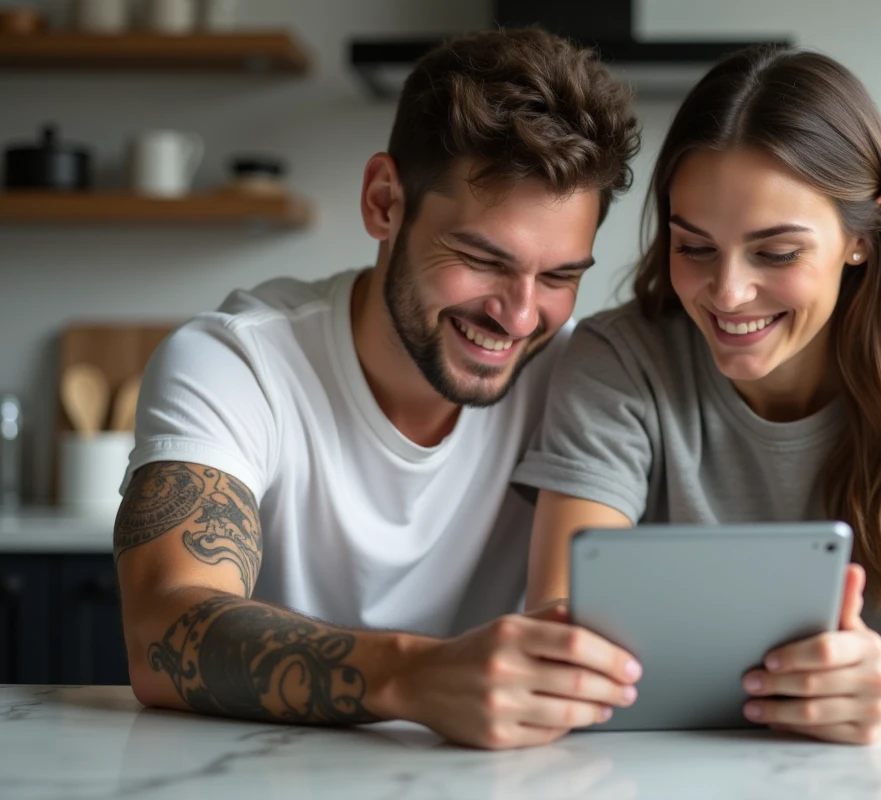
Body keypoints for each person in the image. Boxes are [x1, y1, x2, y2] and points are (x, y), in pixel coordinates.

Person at [516, 45, 881, 745]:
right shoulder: (617, 360)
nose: (727, 293)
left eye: (776, 253)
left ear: (861, 238)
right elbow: (562, 618)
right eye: (693, 247)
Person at [113, 27, 645, 751]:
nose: (519, 316)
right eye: (481, 259)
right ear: (384, 202)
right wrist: (414, 677)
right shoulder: (234, 363)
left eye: (559, 277)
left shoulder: (585, 376)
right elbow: (162, 631)